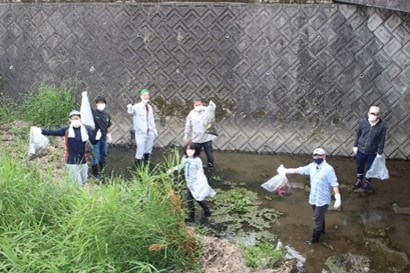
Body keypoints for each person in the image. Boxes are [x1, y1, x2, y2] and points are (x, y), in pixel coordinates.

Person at [278, 148, 341, 245]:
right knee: (319, 216)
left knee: (316, 218)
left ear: (324, 156)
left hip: (323, 199)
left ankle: (315, 239)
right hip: (314, 197)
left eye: (320, 155)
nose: (318, 157)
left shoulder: (328, 169)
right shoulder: (312, 166)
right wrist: (286, 170)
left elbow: (334, 183)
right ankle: (322, 231)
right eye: (315, 155)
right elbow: (300, 170)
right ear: (313, 156)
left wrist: (337, 196)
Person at [39, 110, 98, 186]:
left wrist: (98, 137)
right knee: (77, 184)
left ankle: (79, 195)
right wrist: (40, 130)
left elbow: (94, 142)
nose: (75, 120)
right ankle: (76, 196)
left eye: (77, 118)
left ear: (80, 119)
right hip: (71, 161)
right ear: (70, 120)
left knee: (84, 181)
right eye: (73, 118)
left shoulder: (85, 130)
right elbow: (53, 132)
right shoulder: (67, 130)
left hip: (83, 160)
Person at [169, 142, 214, 222]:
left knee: (190, 200)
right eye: (188, 149)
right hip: (189, 183)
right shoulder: (185, 159)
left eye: (192, 149)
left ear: (195, 151)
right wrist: (172, 169)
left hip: (195, 183)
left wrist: (201, 182)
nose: (190, 151)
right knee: (197, 199)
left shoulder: (197, 160)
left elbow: (201, 171)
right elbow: (181, 166)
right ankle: (207, 211)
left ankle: (191, 218)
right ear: (185, 150)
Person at [352, 106, 387, 192]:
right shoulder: (363, 122)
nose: (373, 115)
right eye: (371, 113)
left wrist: (379, 152)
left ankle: (368, 182)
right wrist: (355, 146)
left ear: (379, 115)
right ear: (368, 113)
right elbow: (358, 134)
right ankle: (359, 180)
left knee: (371, 167)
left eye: (375, 114)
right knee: (360, 165)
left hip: (373, 152)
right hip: (361, 149)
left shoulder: (382, 127)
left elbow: (382, 140)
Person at [127, 88, 157, 167]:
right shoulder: (137, 106)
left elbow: (151, 119)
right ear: (141, 97)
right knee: (140, 150)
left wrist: (154, 129)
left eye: (147, 95)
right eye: (144, 95)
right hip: (141, 133)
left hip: (149, 132)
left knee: (148, 149)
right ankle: (137, 167)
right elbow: (131, 111)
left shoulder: (150, 107)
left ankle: (146, 165)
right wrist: (130, 107)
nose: (146, 96)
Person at [184, 99, 217, 171]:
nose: (198, 106)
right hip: (196, 138)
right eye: (196, 105)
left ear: (202, 104)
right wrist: (186, 134)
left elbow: (212, 109)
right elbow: (188, 125)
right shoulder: (191, 113)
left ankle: (210, 165)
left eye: (199, 105)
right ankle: (195, 166)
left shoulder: (206, 110)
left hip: (207, 138)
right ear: (193, 105)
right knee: (195, 154)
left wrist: (212, 105)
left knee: (209, 153)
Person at [91, 96, 112, 179]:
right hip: (95, 140)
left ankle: (102, 172)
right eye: (99, 103)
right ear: (96, 104)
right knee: (95, 157)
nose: (101, 104)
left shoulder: (107, 114)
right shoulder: (93, 113)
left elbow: (109, 125)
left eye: (102, 103)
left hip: (104, 139)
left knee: (103, 156)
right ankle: (95, 175)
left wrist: (109, 135)